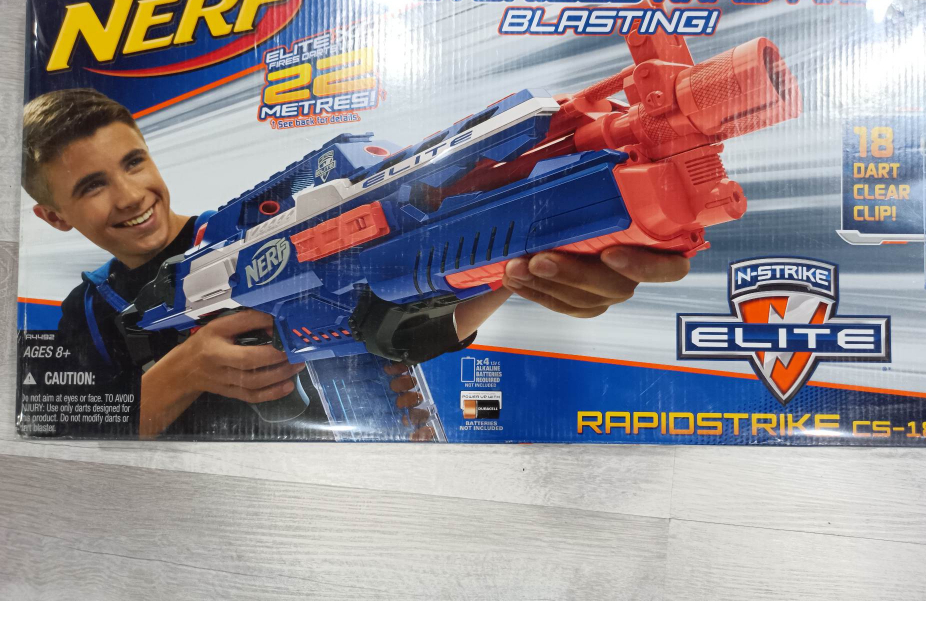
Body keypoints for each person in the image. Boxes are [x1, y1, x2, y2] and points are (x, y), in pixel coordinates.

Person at [22, 89, 690, 439]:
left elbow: (405, 323)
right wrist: (184, 370)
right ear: (54, 217)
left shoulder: (238, 228)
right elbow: (65, 429)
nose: (130, 195)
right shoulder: (91, 310)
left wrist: (525, 262)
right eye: (91, 186)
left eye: (133, 162)